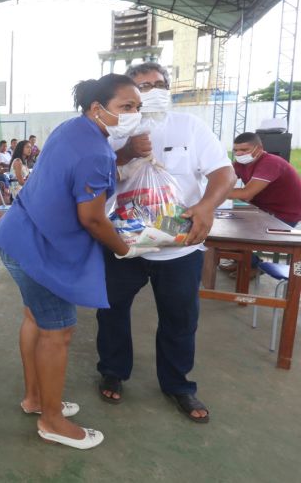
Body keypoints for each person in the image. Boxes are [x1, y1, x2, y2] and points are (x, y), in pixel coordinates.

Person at [0, 74, 157, 450]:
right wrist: (124, 247)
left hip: (18, 233)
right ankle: (51, 421)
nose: (134, 115)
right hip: (38, 246)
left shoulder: (74, 129)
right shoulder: (95, 152)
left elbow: (81, 174)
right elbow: (93, 219)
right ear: (97, 108)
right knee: (59, 330)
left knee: (36, 318)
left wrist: (126, 154)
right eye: (126, 107)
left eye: (138, 108)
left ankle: (36, 399)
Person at [96, 62, 235, 424]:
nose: (152, 90)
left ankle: (177, 384)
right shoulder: (113, 130)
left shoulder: (190, 126)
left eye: (159, 84)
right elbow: (93, 176)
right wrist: (125, 152)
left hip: (181, 243)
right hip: (126, 242)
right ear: (129, 92)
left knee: (180, 317)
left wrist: (206, 206)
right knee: (111, 309)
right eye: (142, 86)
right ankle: (113, 369)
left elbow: (225, 172)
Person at [229, 132, 301, 226]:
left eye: (244, 149)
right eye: (235, 150)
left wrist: (213, 193)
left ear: (259, 148)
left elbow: (246, 194)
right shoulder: (240, 164)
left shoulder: (270, 163)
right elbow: (223, 180)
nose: (239, 154)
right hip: (262, 210)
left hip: (283, 215)